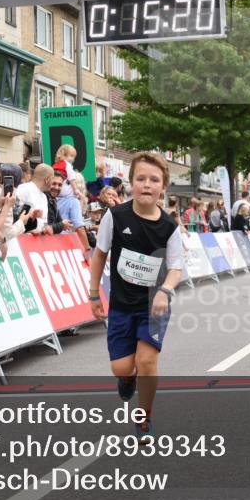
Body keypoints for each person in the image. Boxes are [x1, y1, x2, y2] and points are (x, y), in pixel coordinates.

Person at [88, 152, 183, 443]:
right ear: (130, 183)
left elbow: (176, 269)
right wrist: (94, 295)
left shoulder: (170, 227)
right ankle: (126, 379)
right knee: (122, 367)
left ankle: (144, 419)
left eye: (154, 180)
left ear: (163, 186)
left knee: (147, 362)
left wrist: (165, 292)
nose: (147, 184)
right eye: (140, 178)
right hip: (121, 305)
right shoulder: (115, 217)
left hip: (153, 306)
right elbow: (100, 255)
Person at [52, 144, 89, 251]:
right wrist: (87, 248)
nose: (72, 159)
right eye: (71, 156)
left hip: (50, 240)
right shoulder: (73, 201)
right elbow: (79, 227)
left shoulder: (51, 198)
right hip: (65, 243)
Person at [17, 163, 53, 234]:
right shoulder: (24, 189)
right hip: (22, 240)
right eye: (52, 178)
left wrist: (46, 228)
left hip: (39, 242)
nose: (52, 183)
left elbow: (44, 221)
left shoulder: (44, 196)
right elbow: (14, 217)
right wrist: (29, 230)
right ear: (47, 179)